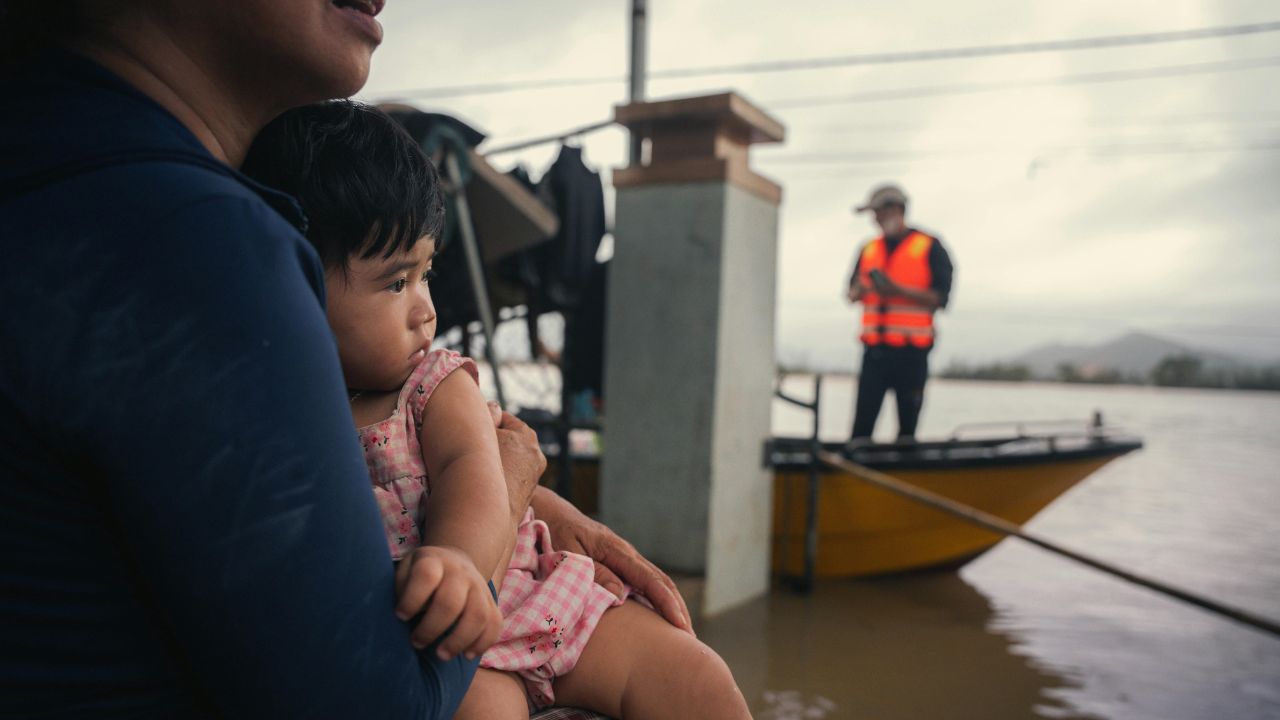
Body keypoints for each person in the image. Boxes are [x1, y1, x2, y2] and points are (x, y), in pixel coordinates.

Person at [0, 3, 689, 717]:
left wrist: (503, 492)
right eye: (394, 279)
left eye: (423, 275)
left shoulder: (54, 168)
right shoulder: (191, 240)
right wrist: (508, 493)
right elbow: (380, 702)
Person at [241, 100, 751, 720]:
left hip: (529, 594)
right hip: (448, 653)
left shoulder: (432, 386)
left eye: (426, 274)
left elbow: (473, 473)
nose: (425, 309)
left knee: (694, 674)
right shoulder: (281, 412)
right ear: (297, 282)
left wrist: (460, 560)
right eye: (396, 282)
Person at [845, 183, 955, 442]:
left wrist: (897, 290)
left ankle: (903, 471)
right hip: (874, 354)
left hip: (911, 354)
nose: (875, 220)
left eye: (878, 213)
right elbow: (850, 293)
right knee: (861, 431)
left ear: (896, 209)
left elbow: (941, 298)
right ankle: (854, 474)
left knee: (907, 432)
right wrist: (859, 291)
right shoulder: (868, 248)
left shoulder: (930, 247)